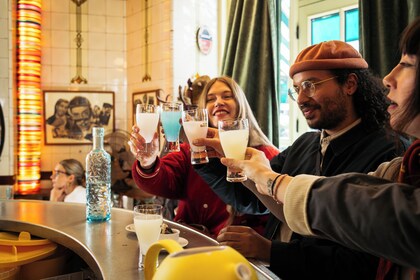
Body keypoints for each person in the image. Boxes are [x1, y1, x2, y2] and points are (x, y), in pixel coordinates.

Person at [219, 18, 420, 279]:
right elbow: (281, 204)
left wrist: (270, 250)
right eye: (296, 89)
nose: (301, 99)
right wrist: (228, 163)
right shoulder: (305, 143)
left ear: (349, 84)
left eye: (310, 85)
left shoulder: (391, 150)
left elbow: (362, 259)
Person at [128, 76, 278, 238]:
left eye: (227, 96)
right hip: (187, 243)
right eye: (210, 99)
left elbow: (270, 214)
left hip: (231, 251)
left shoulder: (265, 155)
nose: (218, 102)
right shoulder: (189, 151)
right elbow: (164, 183)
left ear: (241, 104)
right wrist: (148, 162)